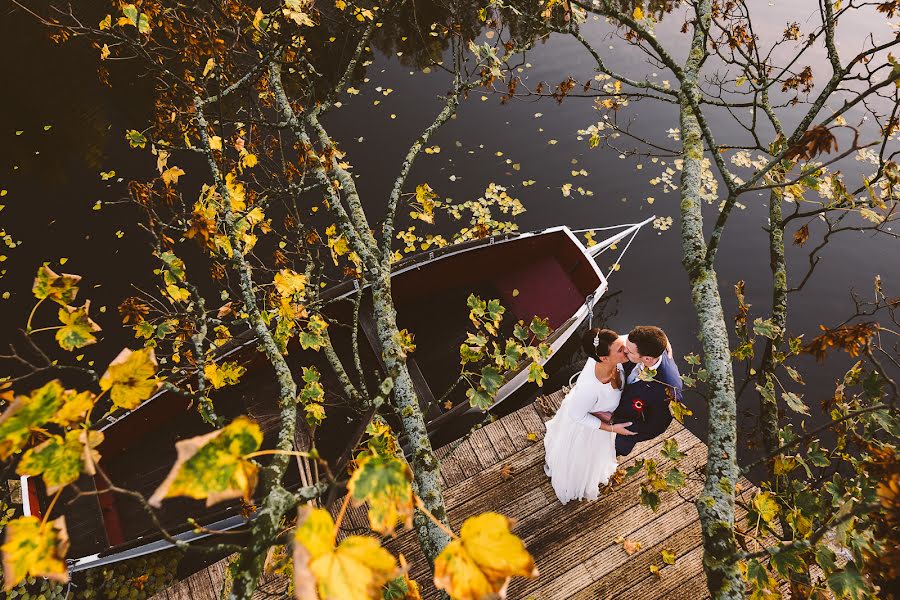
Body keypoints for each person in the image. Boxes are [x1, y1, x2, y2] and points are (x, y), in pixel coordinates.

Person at [543, 328, 629, 504]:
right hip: (590, 428)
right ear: (604, 358)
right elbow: (578, 416)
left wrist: (664, 344)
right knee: (584, 465)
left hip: (604, 418)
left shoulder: (615, 347)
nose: (626, 349)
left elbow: (638, 337)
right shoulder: (589, 388)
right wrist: (612, 428)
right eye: (620, 350)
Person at [601, 325, 683, 457]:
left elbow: (656, 426)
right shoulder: (652, 345)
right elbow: (658, 332)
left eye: (630, 352)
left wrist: (620, 426)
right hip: (612, 406)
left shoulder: (668, 390)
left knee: (607, 453)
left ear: (647, 359)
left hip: (625, 429)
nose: (624, 351)